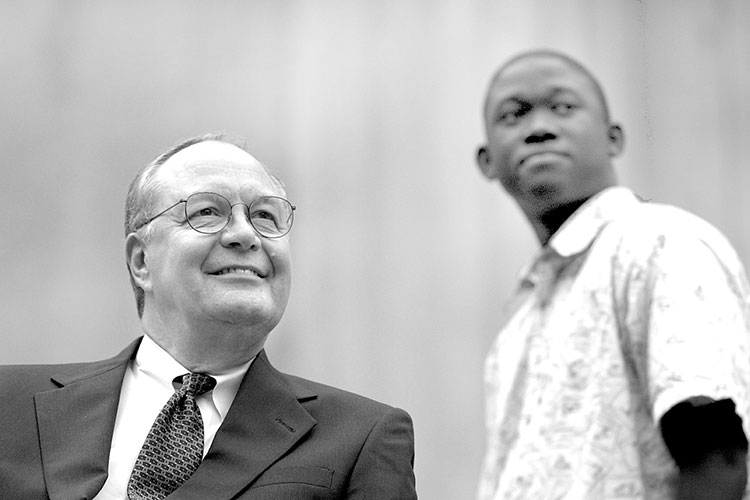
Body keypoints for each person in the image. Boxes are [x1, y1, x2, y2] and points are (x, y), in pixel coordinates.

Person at [0, 134, 418, 500]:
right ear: (141, 260)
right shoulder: (10, 404)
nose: (245, 235)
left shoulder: (360, 437)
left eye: (265, 216)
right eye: (207, 212)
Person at [474, 49, 750, 500]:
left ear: (613, 138)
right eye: (514, 114)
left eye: (563, 107)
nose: (539, 128)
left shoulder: (660, 242)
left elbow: (718, 458)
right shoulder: (519, 323)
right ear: (487, 161)